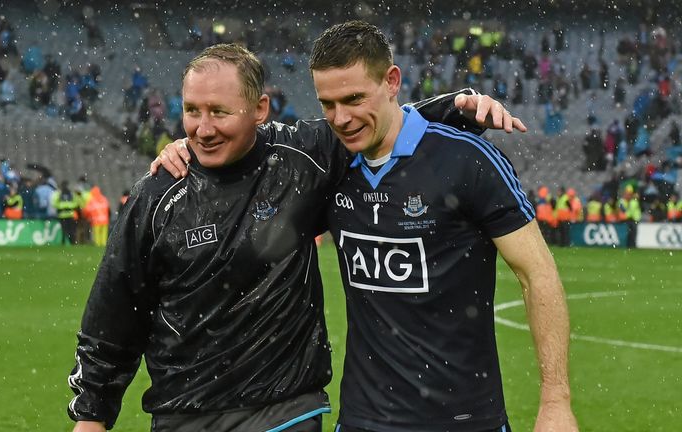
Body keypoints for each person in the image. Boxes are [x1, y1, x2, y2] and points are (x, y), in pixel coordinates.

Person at [70, 42, 520, 432]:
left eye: (220, 112)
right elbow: (114, 308)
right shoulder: (158, 194)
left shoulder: (304, 160)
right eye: (192, 111)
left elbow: (378, 118)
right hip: (183, 413)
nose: (203, 128)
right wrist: (92, 414)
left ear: (260, 110)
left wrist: (457, 105)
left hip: (286, 410)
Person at [158, 21, 574, 432]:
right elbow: (246, 147)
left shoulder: (467, 161)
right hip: (363, 419)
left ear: (392, 81)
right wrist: (190, 146)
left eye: (354, 98)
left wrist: (556, 402)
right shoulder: (326, 168)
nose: (341, 118)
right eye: (328, 104)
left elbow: (537, 273)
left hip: (465, 419)